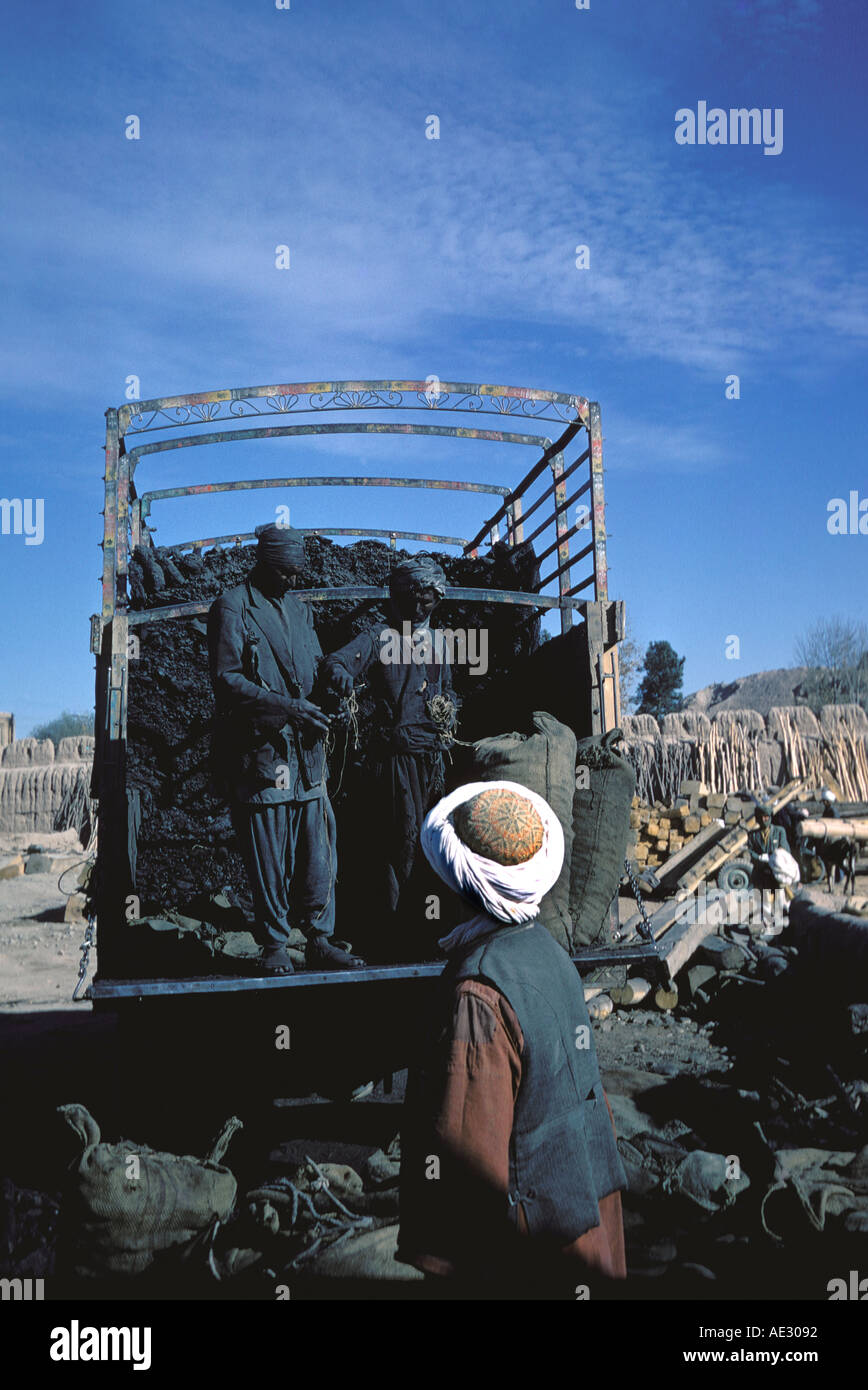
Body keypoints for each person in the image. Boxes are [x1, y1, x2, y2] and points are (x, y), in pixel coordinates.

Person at [396, 780, 628, 1297]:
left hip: (538, 1258)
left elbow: (466, 1179)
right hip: (588, 1235)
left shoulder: (478, 996)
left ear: (458, 885)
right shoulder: (548, 953)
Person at [207, 523, 364, 974]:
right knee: (268, 854)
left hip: (307, 755)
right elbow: (226, 679)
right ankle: (275, 942)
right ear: (266, 564)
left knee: (319, 853)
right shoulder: (233, 606)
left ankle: (319, 938)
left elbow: (313, 668)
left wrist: (334, 680)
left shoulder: (300, 611)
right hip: (263, 754)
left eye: (298, 573)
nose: (295, 581)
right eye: (288, 573)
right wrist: (287, 708)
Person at [320, 555, 460, 959]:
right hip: (394, 764)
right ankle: (395, 942)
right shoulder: (378, 639)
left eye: (428, 600)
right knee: (399, 847)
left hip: (431, 761)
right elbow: (336, 662)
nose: (419, 608)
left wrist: (448, 708)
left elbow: (449, 691)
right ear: (397, 598)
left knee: (432, 846)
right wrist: (343, 675)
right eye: (412, 599)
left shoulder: (439, 645)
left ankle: (425, 935)